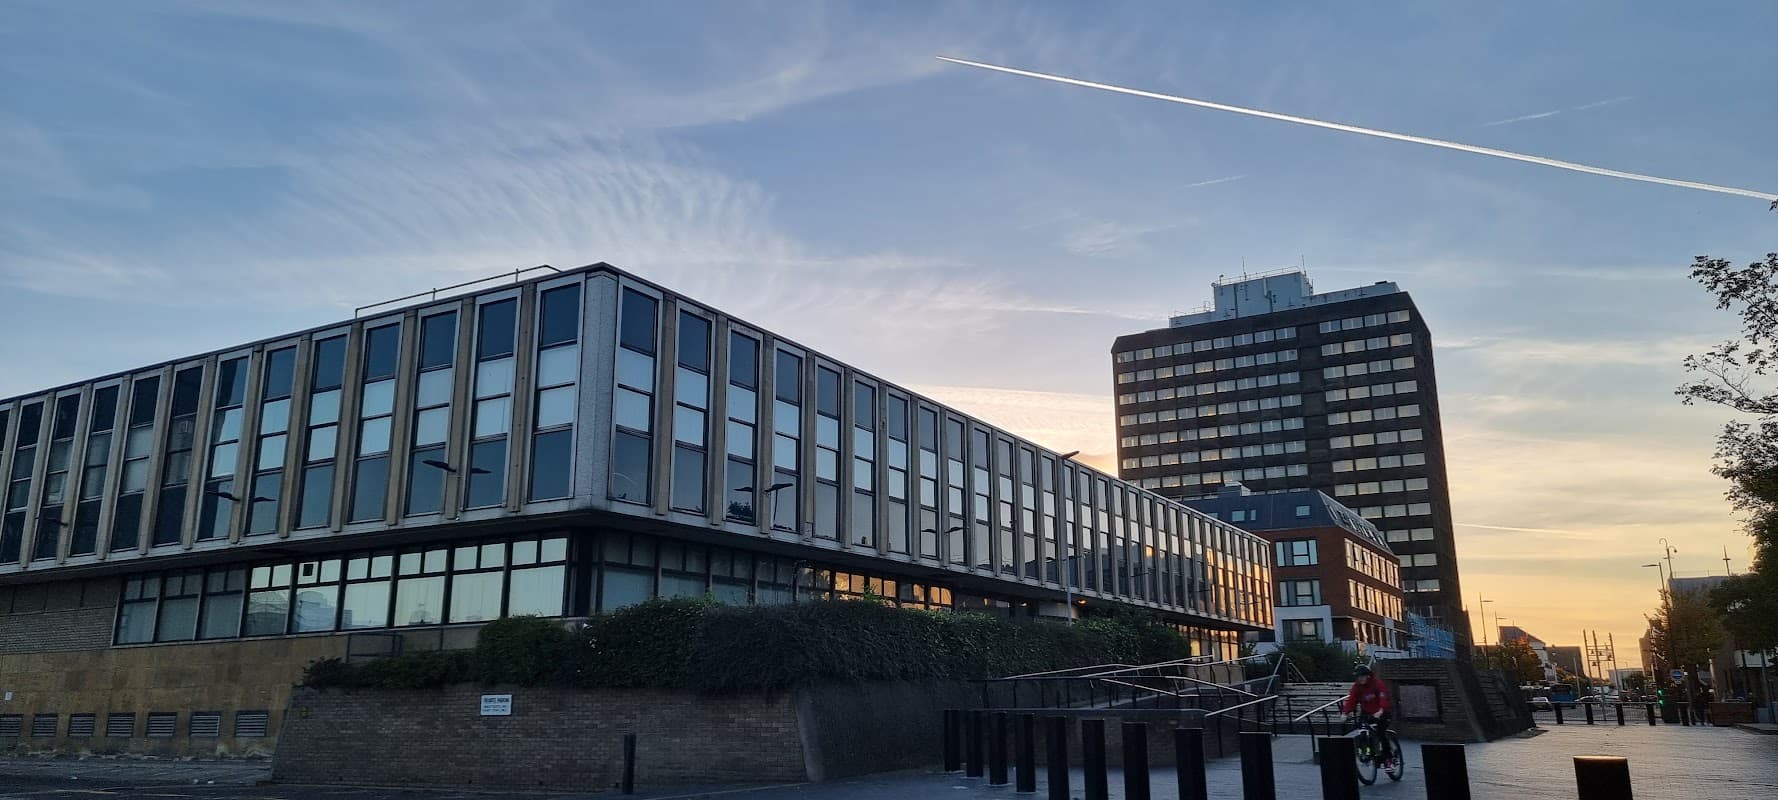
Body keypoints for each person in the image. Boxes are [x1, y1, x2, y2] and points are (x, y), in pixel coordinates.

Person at [1341, 665, 1394, 765]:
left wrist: (1381, 711)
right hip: (1367, 712)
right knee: (1363, 729)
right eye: (1358, 676)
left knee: (1381, 733)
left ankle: (1389, 759)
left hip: (1383, 712)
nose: (1360, 678)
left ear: (1368, 676)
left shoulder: (1377, 684)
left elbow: (1383, 697)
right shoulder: (1357, 687)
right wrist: (1345, 712)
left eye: (1362, 676)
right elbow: (1352, 700)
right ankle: (1367, 752)